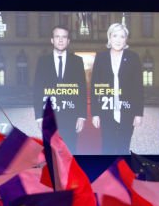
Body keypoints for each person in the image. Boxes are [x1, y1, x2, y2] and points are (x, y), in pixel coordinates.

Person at [91, 22, 144, 155]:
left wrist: (138, 113)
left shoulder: (133, 58)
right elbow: (95, 86)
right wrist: (95, 113)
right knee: (107, 146)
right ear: (109, 37)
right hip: (106, 109)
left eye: (122, 36)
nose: (118, 40)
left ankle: (123, 174)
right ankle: (107, 174)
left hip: (127, 110)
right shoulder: (101, 58)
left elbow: (138, 87)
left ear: (126, 39)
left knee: (123, 147)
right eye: (115, 36)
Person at [33, 26, 86, 150]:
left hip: (70, 116)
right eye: (57, 37)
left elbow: (81, 89)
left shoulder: (77, 61)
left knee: (70, 152)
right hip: (50, 116)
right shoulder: (43, 61)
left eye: (64, 37)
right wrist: (39, 116)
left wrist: (81, 116)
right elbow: (38, 90)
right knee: (51, 153)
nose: (60, 40)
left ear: (68, 41)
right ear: (52, 40)